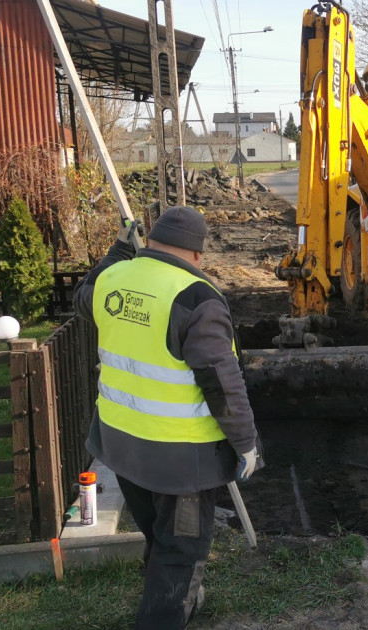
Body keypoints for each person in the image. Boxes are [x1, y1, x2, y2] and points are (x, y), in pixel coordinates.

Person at [73, 206, 262, 630]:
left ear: (151, 241)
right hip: (182, 465)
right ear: (196, 254)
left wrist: (116, 252)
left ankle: (178, 598)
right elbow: (220, 381)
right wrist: (246, 444)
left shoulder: (112, 279)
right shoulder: (197, 297)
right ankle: (166, 609)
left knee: (161, 538)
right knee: (180, 552)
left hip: (120, 448)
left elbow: (82, 296)